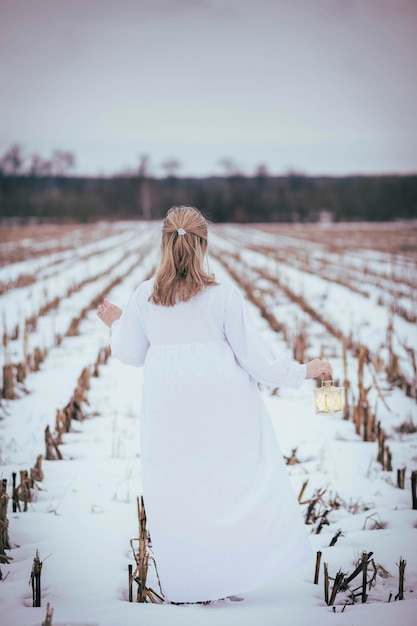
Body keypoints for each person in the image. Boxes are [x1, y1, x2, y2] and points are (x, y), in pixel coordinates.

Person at [97, 205, 331, 604]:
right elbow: (257, 361)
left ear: (163, 243)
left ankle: (189, 583)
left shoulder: (143, 296)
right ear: (204, 244)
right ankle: (229, 576)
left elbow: (131, 353)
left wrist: (118, 323)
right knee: (227, 488)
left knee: (177, 494)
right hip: (225, 411)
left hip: (167, 413)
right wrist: (304, 371)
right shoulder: (222, 296)